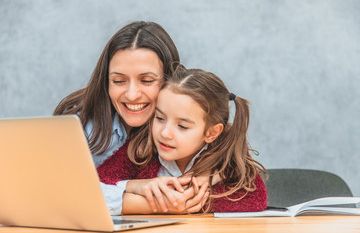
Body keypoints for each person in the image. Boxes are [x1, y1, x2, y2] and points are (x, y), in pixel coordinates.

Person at [54, 21, 206, 215]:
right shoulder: (79, 126)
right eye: (118, 81)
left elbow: (230, 157)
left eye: (147, 81)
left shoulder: (184, 121)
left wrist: (210, 176)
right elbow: (57, 191)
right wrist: (144, 200)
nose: (132, 95)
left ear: (170, 80)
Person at [98, 65, 268, 213]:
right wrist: (136, 186)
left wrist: (193, 197)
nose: (165, 133)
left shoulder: (225, 160)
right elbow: (92, 186)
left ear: (211, 133)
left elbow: (257, 199)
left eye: (182, 126)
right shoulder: (140, 149)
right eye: (160, 118)